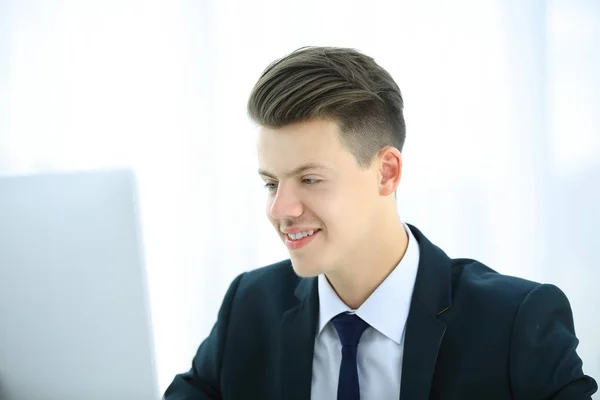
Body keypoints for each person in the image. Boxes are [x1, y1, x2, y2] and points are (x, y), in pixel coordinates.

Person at [163, 46, 597, 400]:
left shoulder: (514, 323)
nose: (281, 208)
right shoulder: (249, 307)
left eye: (310, 179)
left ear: (386, 172)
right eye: (270, 183)